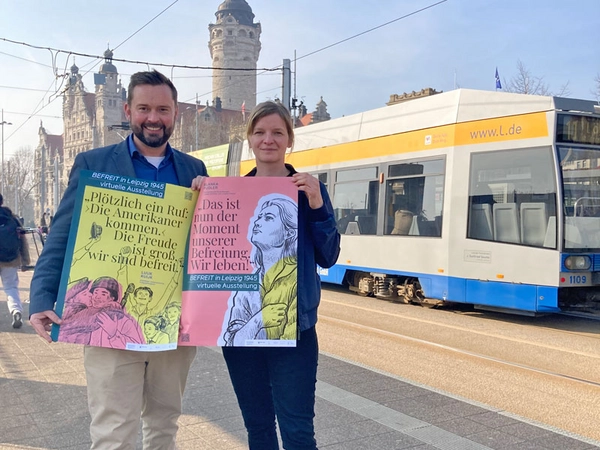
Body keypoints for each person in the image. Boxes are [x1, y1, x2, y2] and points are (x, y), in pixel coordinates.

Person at [28, 70, 208, 450]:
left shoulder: (195, 170)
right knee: (113, 432)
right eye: (144, 108)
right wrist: (42, 298)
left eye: (163, 109)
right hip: (106, 319)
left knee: (164, 426)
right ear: (128, 110)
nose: (153, 118)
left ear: (176, 114)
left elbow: (207, 242)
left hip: (170, 322)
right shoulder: (93, 162)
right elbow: (62, 235)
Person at [194, 101, 340, 449]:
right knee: (258, 428)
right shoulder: (229, 194)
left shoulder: (308, 191)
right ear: (250, 140)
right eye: (259, 132)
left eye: (277, 132)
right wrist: (201, 195)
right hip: (242, 339)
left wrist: (318, 205)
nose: (268, 139)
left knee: (298, 431)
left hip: (295, 332)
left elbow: (329, 255)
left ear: (290, 139)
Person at [220, 195, 299, 345]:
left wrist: (247, 330)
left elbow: (288, 341)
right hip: (249, 360)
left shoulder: (295, 278)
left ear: (289, 233)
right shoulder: (248, 285)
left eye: (268, 218)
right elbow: (232, 341)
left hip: (282, 362)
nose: (257, 222)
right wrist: (258, 320)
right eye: (259, 217)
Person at [0, 193, 30, 329]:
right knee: (11, 287)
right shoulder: (12, 218)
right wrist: (25, 261)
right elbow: (22, 240)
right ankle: (16, 311)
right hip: (10, 260)